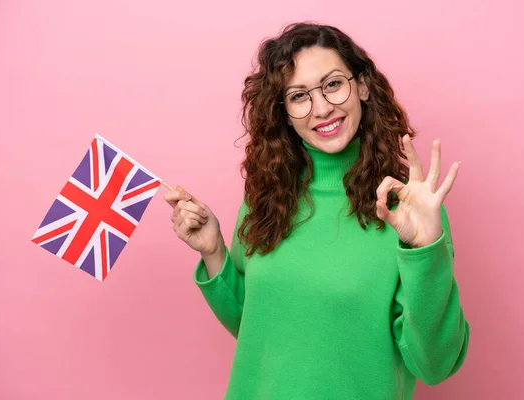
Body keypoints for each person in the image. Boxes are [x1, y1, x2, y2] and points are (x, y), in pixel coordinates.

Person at [164, 22, 470, 400]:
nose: (322, 108)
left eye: (332, 84)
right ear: (285, 113)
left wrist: (424, 249)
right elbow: (259, 328)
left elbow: (435, 365)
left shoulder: (408, 207)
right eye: (298, 96)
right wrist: (213, 252)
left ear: (362, 86)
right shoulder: (266, 197)